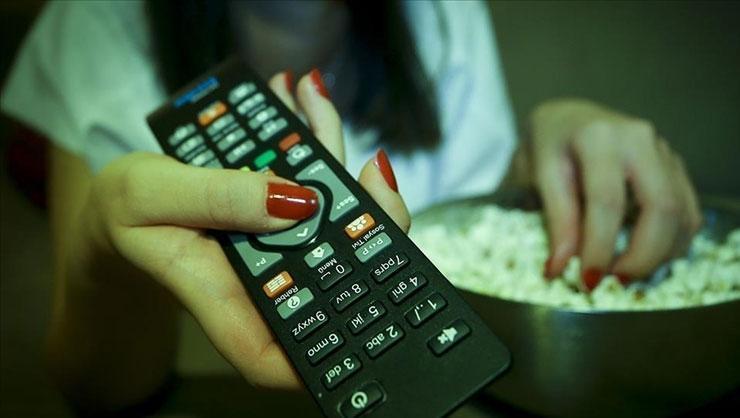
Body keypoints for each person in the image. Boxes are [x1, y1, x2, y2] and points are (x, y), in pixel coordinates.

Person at [1, 0, 701, 414]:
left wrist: (547, 146)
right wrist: (105, 250)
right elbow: (98, 394)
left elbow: (474, 246)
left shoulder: (440, 12)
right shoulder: (94, 24)